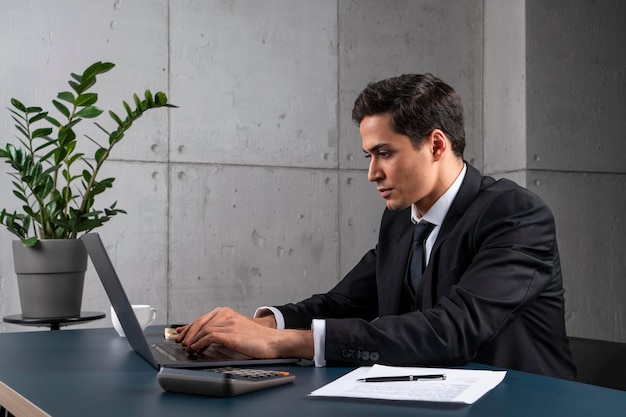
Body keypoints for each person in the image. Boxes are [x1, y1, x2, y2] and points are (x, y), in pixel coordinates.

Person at [176, 73, 576, 380]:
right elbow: (344, 303)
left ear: (436, 145)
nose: (371, 173)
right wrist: (260, 324)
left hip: (521, 402)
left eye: (384, 153)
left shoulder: (515, 214)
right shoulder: (402, 219)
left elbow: (451, 330)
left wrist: (284, 342)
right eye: (369, 155)